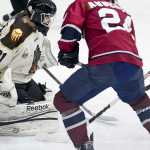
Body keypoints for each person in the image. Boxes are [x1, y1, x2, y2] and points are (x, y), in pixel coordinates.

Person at [53, 0, 150, 149]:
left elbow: (71, 28)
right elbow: (127, 41)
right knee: (140, 102)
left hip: (104, 65)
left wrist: (67, 51)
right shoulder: (122, 10)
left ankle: (84, 146)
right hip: (132, 64)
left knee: (63, 100)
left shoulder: (82, 3)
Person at [0, 0, 57, 106]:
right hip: (10, 81)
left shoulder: (36, 30)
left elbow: (35, 52)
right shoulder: (18, 30)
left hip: (26, 80)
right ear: (35, 14)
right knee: (31, 108)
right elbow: (3, 53)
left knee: (46, 102)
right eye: (46, 17)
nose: (48, 21)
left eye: (50, 18)